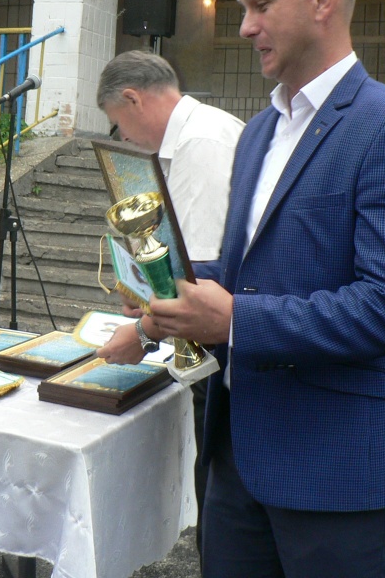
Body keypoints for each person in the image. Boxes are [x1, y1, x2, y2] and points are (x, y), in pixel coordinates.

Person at [108, 0, 385, 578]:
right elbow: (248, 273)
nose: (244, 27)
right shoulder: (260, 130)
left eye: (260, 5)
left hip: (338, 469)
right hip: (237, 458)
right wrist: (169, 288)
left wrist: (234, 320)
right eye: (244, 8)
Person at [94, 48, 244, 559]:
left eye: (118, 124)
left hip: (222, 345)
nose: (125, 138)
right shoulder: (200, 133)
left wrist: (142, 333)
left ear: (133, 99)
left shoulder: (202, 144)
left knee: (220, 516)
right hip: (218, 336)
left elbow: (198, 282)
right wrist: (145, 294)